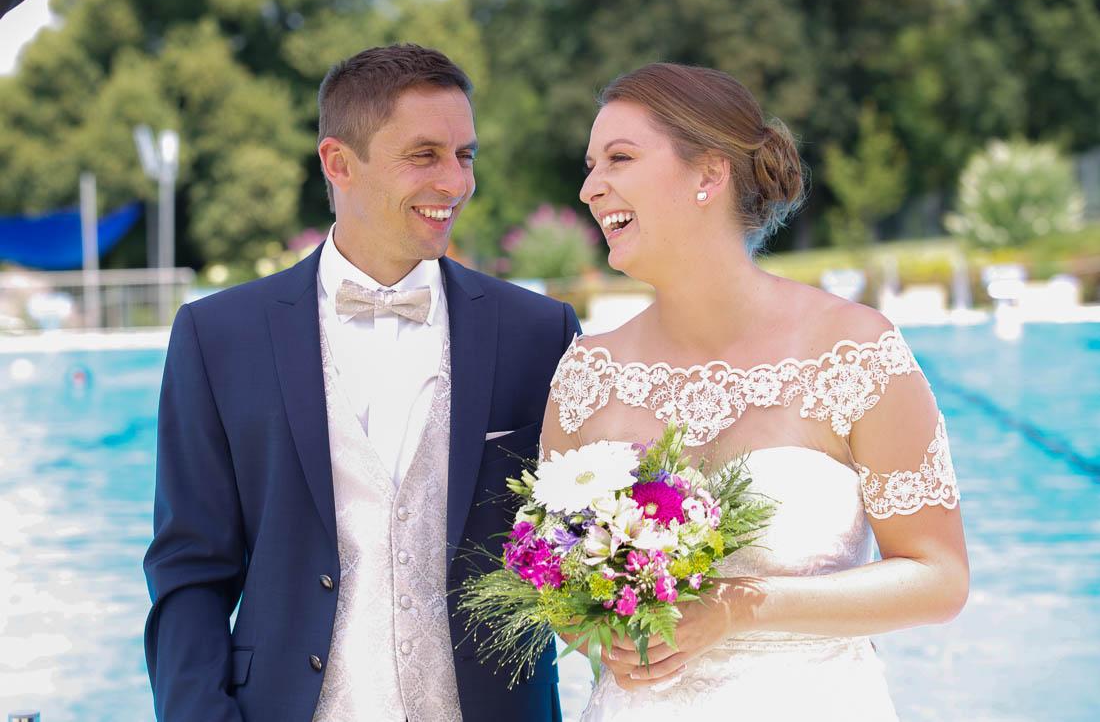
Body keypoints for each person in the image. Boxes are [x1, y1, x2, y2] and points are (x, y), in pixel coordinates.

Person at [143, 44, 578, 721]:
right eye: (424, 154)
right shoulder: (217, 336)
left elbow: (579, 546)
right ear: (339, 163)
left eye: (465, 155)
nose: (456, 182)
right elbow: (190, 570)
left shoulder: (538, 333)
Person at [540, 62, 968, 721]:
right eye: (592, 164)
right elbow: (557, 581)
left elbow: (940, 577)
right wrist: (602, 631)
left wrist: (739, 607)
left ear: (709, 174)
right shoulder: (585, 376)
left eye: (619, 158)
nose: (591, 187)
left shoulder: (853, 353)